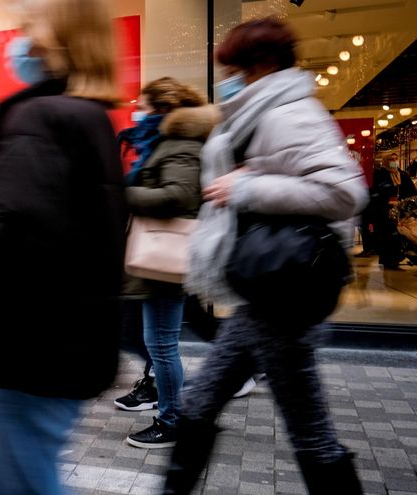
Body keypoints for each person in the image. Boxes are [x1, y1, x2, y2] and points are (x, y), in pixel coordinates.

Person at [0, 0, 127, 492]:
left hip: (32, 346)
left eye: (24, 30)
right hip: (59, 342)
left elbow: (3, 228)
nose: (14, 43)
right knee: (1, 477)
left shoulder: (42, 119)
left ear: (51, 40)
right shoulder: (89, 119)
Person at [167, 18, 365, 494]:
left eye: (236, 68)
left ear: (265, 64)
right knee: (199, 400)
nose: (228, 78)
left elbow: (344, 192)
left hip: (286, 293)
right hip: (267, 291)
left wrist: (247, 187)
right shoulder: (257, 111)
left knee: (309, 431)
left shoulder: (289, 112)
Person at [116, 78, 216, 448]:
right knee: (155, 341)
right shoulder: (167, 143)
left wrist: (122, 193)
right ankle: (169, 406)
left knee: (161, 344)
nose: (136, 112)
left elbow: (178, 196)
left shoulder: (182, 145)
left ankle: (173, 419)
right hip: (155, 260)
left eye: (142, 106)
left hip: (165, 261)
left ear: (161, 109)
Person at [372, 153, 416, 270]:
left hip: (401, 211)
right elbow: (375, 191)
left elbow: (411, 191)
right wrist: (386, 201)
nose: (394, 161)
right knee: (387, 235)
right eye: (391, 159)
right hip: (385, 211)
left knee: (398, 236)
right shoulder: (380, 174)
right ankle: (388, 260)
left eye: (396, 159)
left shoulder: (402, 174)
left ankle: (396, 258)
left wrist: (405, 202)